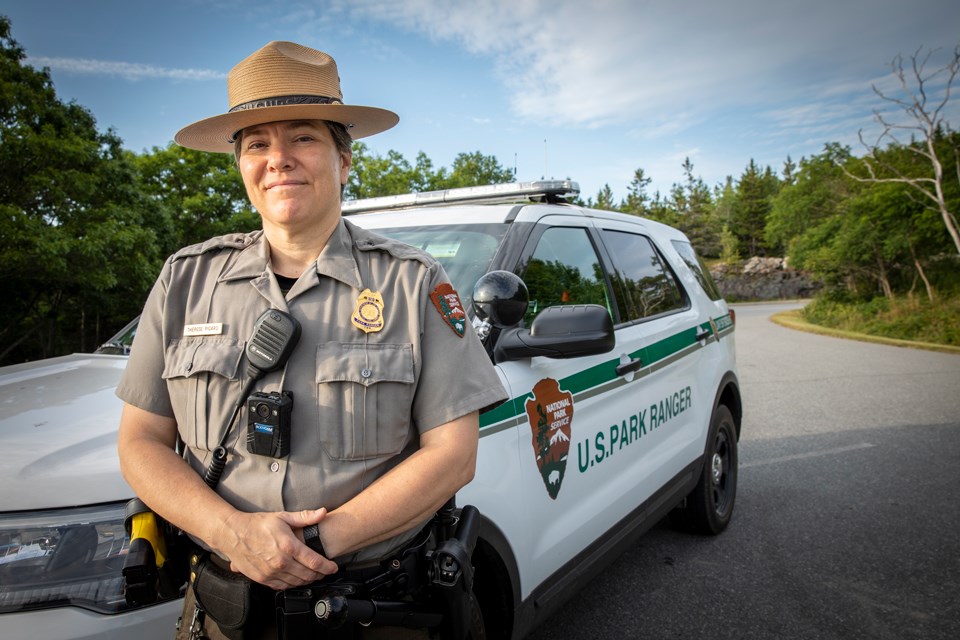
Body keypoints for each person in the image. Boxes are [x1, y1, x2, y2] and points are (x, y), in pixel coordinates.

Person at [116, 41, 508, 639]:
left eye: (302, 137)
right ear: (241, 165)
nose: (278, 159)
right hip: (223, 612)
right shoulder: (184, 281)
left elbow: (454, 454)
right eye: (257, 143)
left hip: (377, 612)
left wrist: (311, 544)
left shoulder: (413, 283)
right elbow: (141, 441)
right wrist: (233, 535)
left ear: (344, 159)